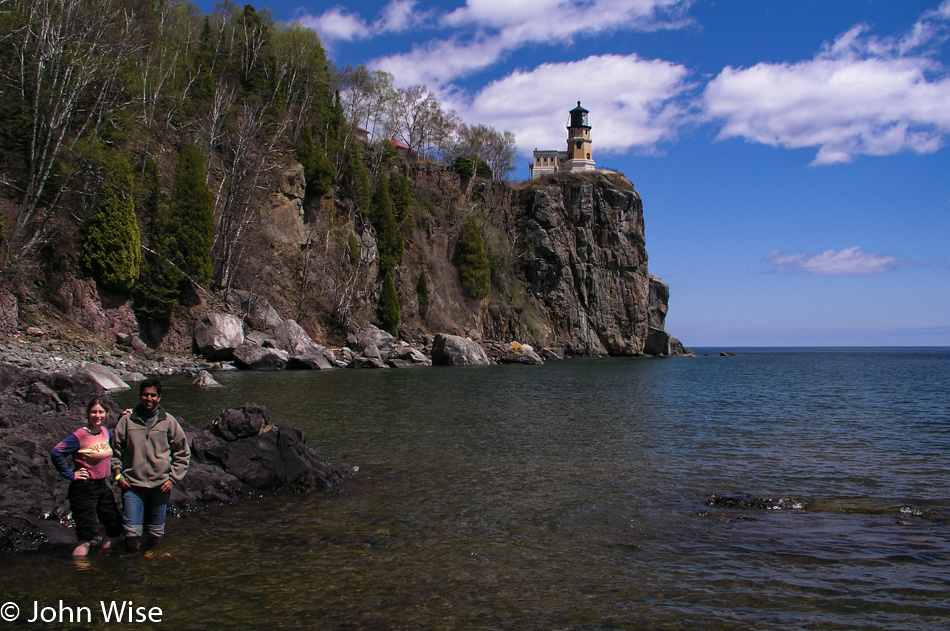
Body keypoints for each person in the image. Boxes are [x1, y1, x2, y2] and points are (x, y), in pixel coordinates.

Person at [111, 378, 190, 551]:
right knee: (131, 534)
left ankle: (151, 566)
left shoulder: (169, 421)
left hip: (160, 485)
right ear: (140, 396)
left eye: (153, 395)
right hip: (132, 485)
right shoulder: (127, 421)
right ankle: (133, 570)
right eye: (145, 395)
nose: (149, 399)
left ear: (159, 397)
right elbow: (115, 451)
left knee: (155, 535)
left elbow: (182, 452)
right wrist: (117, 475)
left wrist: (173, 479)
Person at [50, 397, 123, 556]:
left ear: (106, 414)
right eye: (93, 412)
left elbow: (118, 436)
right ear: (88, 414)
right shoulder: (80, 435)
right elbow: (56, 453)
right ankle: (80, 573)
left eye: (100, 412)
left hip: (103, 486)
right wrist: (70, 474)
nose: (97, 415)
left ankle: (105, 560)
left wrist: (124, 418)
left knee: (114, 526)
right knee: (86, 536)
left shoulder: (105, 432)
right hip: (84, 488)